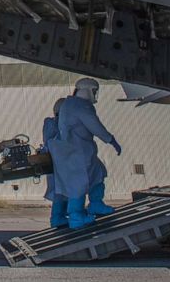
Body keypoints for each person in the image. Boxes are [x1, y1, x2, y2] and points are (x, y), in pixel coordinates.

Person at [51, 78, 122, 229]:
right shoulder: (80, 106)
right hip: (77, 153)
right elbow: (95, 125)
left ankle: (95, 204)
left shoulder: (70, 104)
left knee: (98, 173)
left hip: (80, 152)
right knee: (79, 185)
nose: (95, 94)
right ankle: (76, 216)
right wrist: (110, 140)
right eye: (94, 91)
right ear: (86, 90)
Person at [43, 98, 67, 228]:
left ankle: (63, 215)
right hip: (59, 165)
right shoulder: (53, 124)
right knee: (60, 192)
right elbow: (53, 142)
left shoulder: (56, 124)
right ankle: (58, 217)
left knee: (67, 191)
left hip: (64, 165)